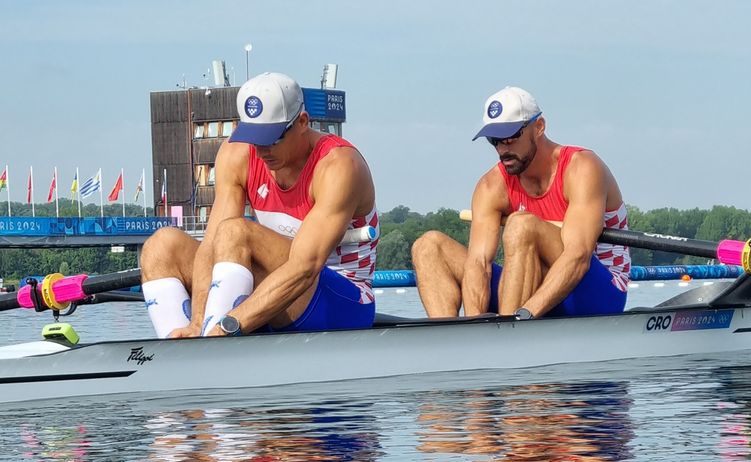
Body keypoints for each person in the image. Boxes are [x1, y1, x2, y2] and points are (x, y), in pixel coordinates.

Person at [141, 72, 378, 338]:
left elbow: (305, 268)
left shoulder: (339, 166)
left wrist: (229, 324)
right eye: (255, 138)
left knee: (236, 232)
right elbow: (210, 248)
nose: (262, 150)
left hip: (342, 299)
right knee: (161, 246)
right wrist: (197, 321)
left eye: (272, 138)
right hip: (275, 294)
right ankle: (179, 348)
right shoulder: (237, 154)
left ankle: (215, 341)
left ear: (302, 122)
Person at [412, 86, 629, 319]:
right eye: (495, 141)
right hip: (533, 288)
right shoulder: (491, 185)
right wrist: (473, 325)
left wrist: (524, 314)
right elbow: (478, 264)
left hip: (597, 293)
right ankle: (453, 340)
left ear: (539, 127)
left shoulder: (582, 168)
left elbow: (578, 257)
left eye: (511, 137)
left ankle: (510, 333)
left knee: (521, 225)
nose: (503, 149)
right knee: (428, 246)